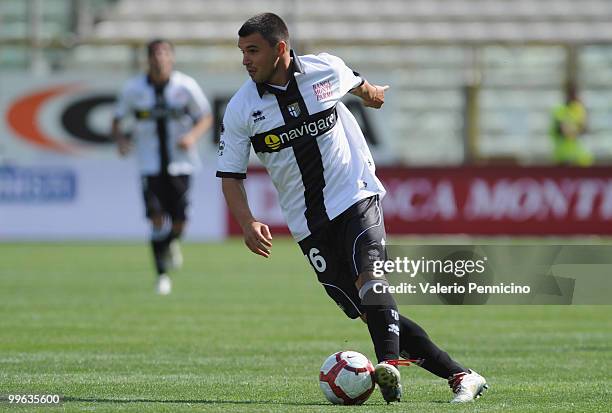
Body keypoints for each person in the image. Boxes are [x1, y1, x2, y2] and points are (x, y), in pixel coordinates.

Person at [216, 13, 487, 403]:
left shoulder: (324, 69)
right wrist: (247, 222)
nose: (245, 60)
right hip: (308, 223)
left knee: (372, 281)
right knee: (369, 311)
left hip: (355, 194)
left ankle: (389, 368)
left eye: (252, 51)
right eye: (242, 52)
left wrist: (373, 93)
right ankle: (462, 375)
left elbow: (360, 84)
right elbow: (230, 175)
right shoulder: (242, 109)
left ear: (280, 49)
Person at [112, 39, 213, 295]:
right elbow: (116, 119)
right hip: (149, 164)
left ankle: (170, 244)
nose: (160, 58)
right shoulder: (134, 89)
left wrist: (191, 136)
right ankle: (161, 276)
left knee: (179, 223)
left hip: (182, 164)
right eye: (155, 54)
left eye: (164, 53)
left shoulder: (185, 86)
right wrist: (122, 141)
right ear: (148, 59)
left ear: (172, 58)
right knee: (157, 220)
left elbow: (206, 116)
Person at [549, 82, 593, 166]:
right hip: (562, 156)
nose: (574, 95)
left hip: (580, 157)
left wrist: (572, 129)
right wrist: (575, 128)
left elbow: (584, 128)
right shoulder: (558, 109)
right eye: (571, 92)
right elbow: (563, 131)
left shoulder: (579, 108)